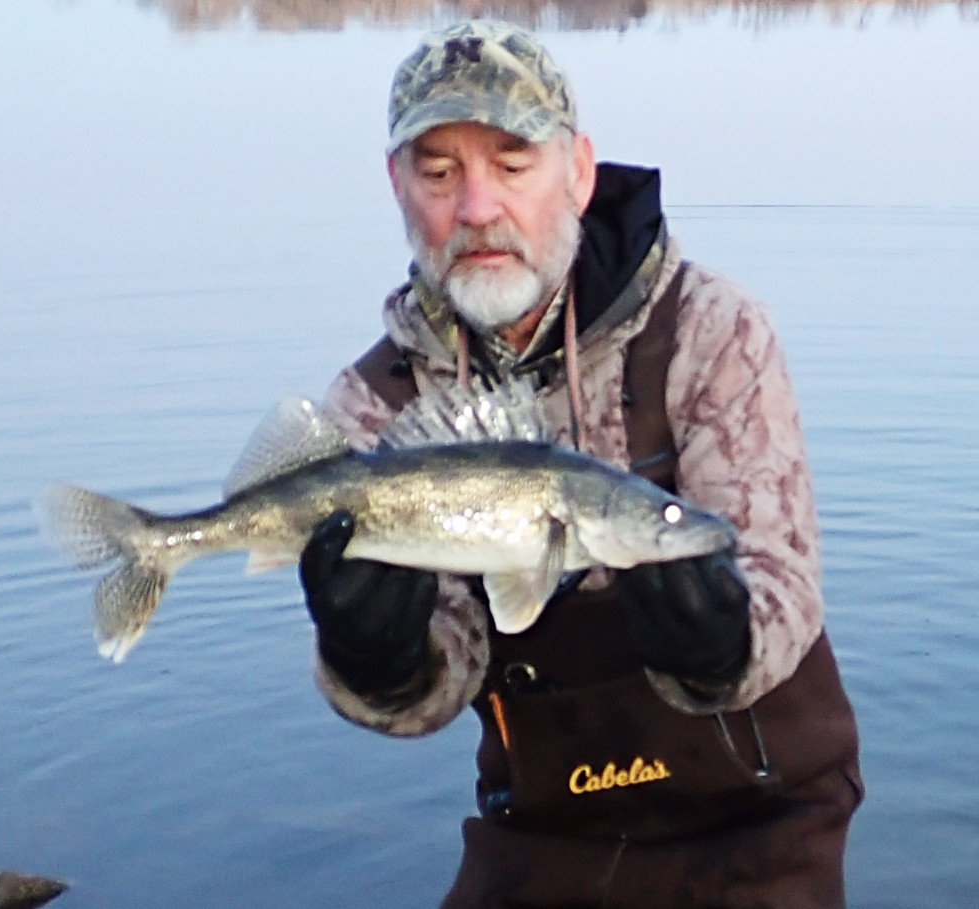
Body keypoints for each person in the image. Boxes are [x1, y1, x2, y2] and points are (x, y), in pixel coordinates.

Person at [297, 19, 863, 909]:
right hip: (543, 831)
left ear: (581, 170)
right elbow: (437, 683)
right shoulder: (375, 409)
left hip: (758, 824)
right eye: (439, 172)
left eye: (513, 164)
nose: (476, 208)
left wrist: (723, 641)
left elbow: (784, 579)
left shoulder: (710, 331)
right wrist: (375, 657)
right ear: (397, 186)